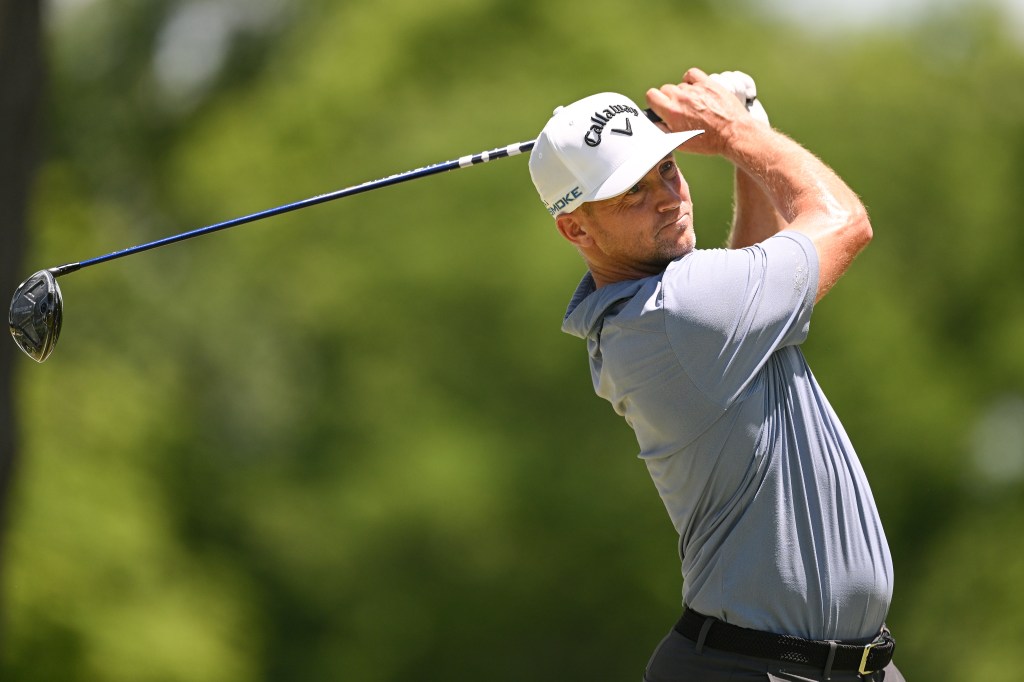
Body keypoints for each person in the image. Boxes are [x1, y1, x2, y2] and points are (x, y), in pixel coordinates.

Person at [528, 68, 905, 681]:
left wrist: (747, 134)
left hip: (842, 667)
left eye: (668, 171)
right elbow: (844, 222)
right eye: (632, 192)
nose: (668, 197)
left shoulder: (665, 309)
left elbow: (745, 276)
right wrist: (737, 135)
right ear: (575, 228)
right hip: (750, 669)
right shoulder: (677, 313)